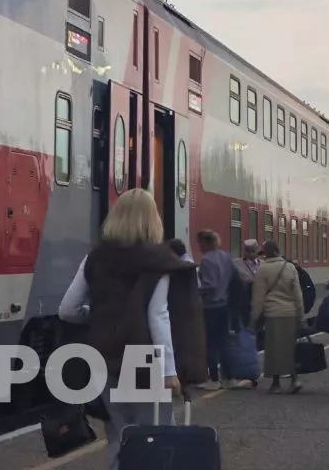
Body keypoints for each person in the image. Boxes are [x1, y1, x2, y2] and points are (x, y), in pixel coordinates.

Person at [57, 188, 205, 470]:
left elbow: (67, 310)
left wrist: (97, 318)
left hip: (104, 359)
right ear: (152, 220)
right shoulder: (159, 260)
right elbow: (157, 316)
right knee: (156, 435)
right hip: (144, 361)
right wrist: (169, 371)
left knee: (118, 434)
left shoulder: (96, 258)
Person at [250, 240, 304, 393]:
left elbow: (258, 297)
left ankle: (276, 384)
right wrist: (300, 314)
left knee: (273, 349)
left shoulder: (263, 269)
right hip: (290, 313)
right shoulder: (290, 267)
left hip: (273, 313)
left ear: (265, 253)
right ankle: (295, 380)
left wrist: (254, 318)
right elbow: (298, 294)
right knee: (289, 348)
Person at [195, 230, 237, 390]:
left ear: (206, 243)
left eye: (200, 242)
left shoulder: (206, 260)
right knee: (224, 341)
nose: (199, 246)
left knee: (211, 343)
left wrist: (197, 290)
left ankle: (214, 378)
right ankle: (231, 377)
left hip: (210, 306)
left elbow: (209, 285)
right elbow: (234, 277)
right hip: (225, 305)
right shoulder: (226, 257)